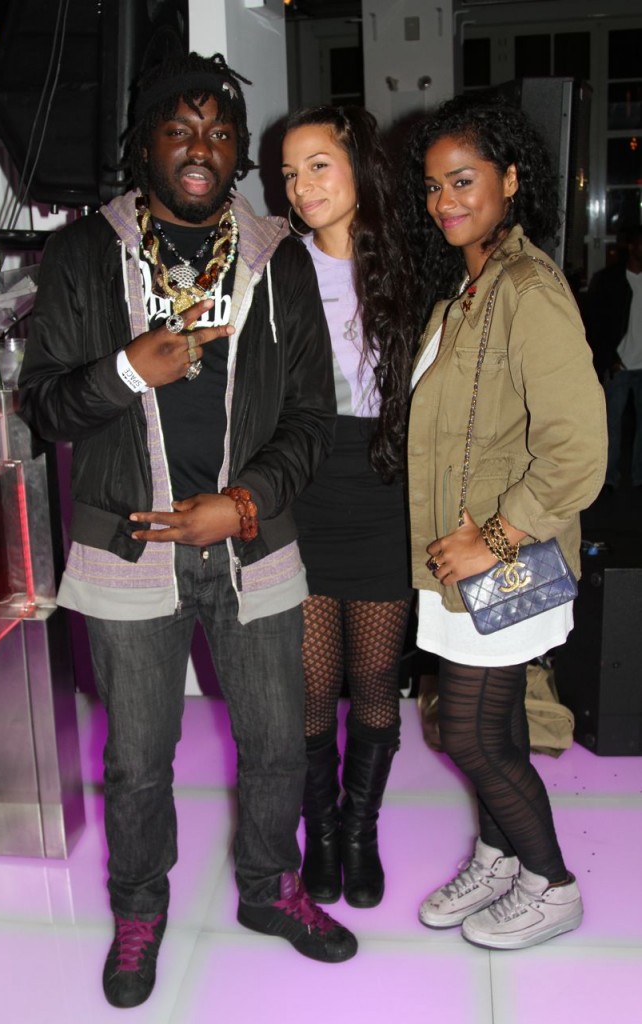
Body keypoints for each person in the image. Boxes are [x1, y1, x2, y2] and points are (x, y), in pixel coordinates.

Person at [18, 47, 358, 1011]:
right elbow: (45, 406)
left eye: (219, 131)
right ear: (145, 145)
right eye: (180, 129)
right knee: (136, 758)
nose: (201, 147)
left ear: (237, 152)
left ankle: (269, 887)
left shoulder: (278, 258)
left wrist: (242, 502)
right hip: (129, 547)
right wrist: (129, 370)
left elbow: (311, 416)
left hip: (253, 542)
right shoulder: (84, 255)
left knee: (279, 742)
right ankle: (139, 910)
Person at [400, 93, 606, 950]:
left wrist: (492, 538)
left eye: (463, 180)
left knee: (471, 735)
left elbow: (578, 450)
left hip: (500, 558)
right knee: (495, 725)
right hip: (458, 561)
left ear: (511, 180)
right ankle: (500, 856)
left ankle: (550, 883)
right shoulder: (470, 287)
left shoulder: (527, 288)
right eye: (432, 185)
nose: (444, 200)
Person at [281, 106, 414, 909]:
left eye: (318, 165)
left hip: (385, 485)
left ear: (359, 165)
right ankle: (322, 833)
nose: (302, 187)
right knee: (309, 683)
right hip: (304, 482)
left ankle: (360, 832)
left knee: (373, 677)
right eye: (289, 173)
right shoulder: (277, 264)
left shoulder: (413, 260)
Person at [585, 223, 642, 489]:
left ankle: (638, 476)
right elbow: (596, 324)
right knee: (611, 426)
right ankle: (608, 478)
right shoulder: (610, 280)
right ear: (631, 246)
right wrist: (609, 359)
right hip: (620, 364)